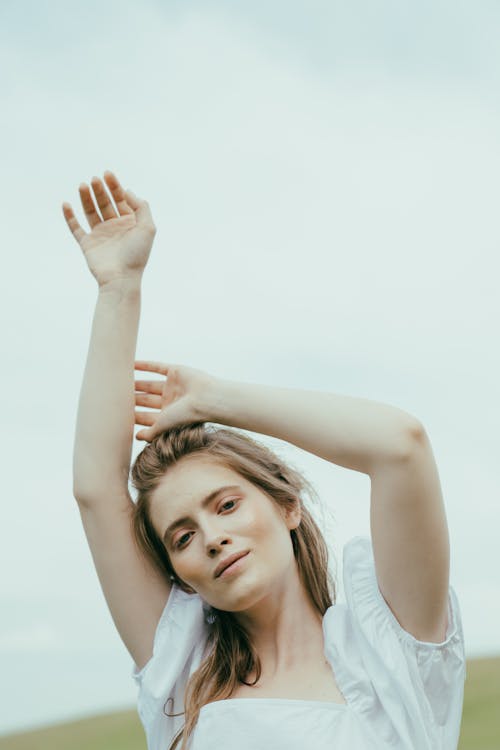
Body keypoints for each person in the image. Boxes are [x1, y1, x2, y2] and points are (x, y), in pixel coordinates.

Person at [63, 171, 466, 750]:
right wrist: (119, 287)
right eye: (181, 537)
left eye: (226, 504)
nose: (212, 538)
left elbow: (400, 446)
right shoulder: (182, 676)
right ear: (179, 572)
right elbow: (97, 492)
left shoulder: (394, 655)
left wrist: (214, 399)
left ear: (287, 505)